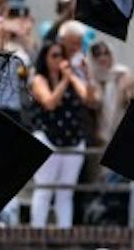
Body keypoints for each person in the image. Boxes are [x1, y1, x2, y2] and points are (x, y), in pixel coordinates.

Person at [25, 37, 95, 229]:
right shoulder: (39, 79)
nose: (59, 60)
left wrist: (85, 75)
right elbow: (49, 102)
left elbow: (89, 99)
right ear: (45, 58)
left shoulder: (72, 78)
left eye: (62, 56)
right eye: (55, 56)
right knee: (45, 189)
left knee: (66, 192)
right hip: (48, 138)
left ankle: (65, 230)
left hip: (73, 140)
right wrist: (64, 80)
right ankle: (37, 230)